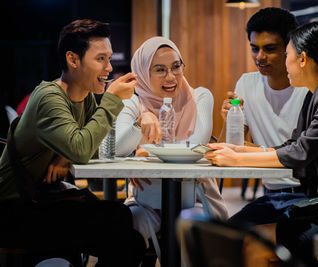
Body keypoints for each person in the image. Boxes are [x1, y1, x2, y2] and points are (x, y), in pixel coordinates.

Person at [206, 21, 318, 265]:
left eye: (287, 55)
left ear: (302, 59)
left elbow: (301, 152)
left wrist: (237, 159)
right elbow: (294, 144)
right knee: (260, 233)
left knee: (272, 237)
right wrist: (239, 149)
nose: (285, 64)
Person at [0, 19, 145, 266]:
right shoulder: (50, 98)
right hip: (15, 210)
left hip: (44, 199)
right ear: (73, 59)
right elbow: (81, 148)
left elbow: (87, 143)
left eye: (109, 59)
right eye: (101, 59)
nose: (109, 68)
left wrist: (63, 155)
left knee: (122, 221)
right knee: (124, 237)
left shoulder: (84, 96)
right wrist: (110, 100)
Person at [115, 36, 228, 253]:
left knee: (192, 227)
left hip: (196, 197)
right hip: (146, 202)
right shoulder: (132, 102)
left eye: (176, 67)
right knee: (125, 225)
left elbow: (195, 146)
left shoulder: (200, 97)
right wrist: (139, 123)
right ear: (142, 73)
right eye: (159, 69)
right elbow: (118, 148)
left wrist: (143, 156)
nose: (171, 77)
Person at [219, 7, 310, 223]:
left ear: (291, 48)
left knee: (262, 243)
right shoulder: (247, 84)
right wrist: (229, 120)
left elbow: (303, 153)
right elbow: (228, 148)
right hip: (270, 196)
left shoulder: (310, 87)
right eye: (254, 48)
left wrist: (250, 150)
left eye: (270, 49)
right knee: (225, 237)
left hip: (308, 196)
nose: (260, 57)